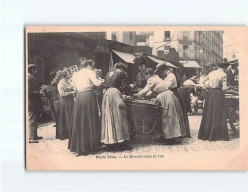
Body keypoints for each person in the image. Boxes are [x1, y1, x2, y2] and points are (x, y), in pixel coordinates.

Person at [135, 68, 186, 145]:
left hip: (166, 97)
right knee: (169, 116)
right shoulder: (156, 78)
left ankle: (170, 139)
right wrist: (146, 95)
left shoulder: (151, 79)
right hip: (168, 96)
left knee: (167, 117)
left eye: (145, 76)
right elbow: (151, 91)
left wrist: (138, 94)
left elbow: (146, 89)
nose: (145, 78)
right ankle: (168, 137)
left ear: (148, 74)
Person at [69, 60, 104, 156]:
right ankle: (90, 145)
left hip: (79, 97)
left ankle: (78, 146)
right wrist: (101, 80)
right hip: (88, 96)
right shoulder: (90, 72)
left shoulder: (75, 74)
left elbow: (74, 88)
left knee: (79, 119)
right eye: (92, 66)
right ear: (88, 65)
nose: (92, 68)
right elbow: (97, 84)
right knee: (89, 118)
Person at [101, 62, 133, 150]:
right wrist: (131, 87)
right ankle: (122, 142)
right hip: (115, 94)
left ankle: (110, 142)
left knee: (109, 117)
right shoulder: (121, 74)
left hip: (106, 95)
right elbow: (124, 87)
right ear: (122, 69)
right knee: (120, 116)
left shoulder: (108, 74)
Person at [156, 63, 191, 138]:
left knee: (175, 115)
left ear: (165, 69)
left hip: (174, 94)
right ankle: (175, 133)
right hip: (170, 94)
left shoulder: (171, 75)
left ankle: (178, 134)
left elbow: (167, 86)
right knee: (173, 115)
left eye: (162, 71)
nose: (161, 73)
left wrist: (158, 89)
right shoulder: (167, 76)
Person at [198, 59, 230, 141]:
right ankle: (217, 134)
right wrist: (227, 88)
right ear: (225, 67)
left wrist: (206, 87)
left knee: (209, 113)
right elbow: (224, 88)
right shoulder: (224, 74)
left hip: (210, 93)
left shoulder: (211, 73)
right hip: (218, 95)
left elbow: (202, 82)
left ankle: (206, 133)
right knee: (218, 113)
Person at [56, 69, 74, 140]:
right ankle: (64, 134)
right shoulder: (61, 83)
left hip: (70, 101)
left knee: (69, 116)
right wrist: (72, 92)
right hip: (64, 102)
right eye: (69, 73)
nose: (70, 74)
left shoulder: (69, 81)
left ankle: (70, 133)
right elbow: (62, 93)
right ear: (65, 75)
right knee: (65, 117)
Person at [28, 64, 43, 143]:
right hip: (31, 103)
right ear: (32, 70)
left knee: (35, 119)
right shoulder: (29, 79)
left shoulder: (31, 78)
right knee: (32, 120)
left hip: (34, 102)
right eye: (35, 70)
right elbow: (29, 92)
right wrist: (38, 92)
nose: (36, 71)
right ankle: (31, 137)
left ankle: (34, 135)